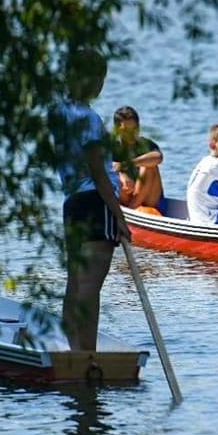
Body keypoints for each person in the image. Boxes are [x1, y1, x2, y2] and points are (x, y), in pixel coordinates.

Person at [49, 53, 130, 352]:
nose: (100, 85)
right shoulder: (89, 117)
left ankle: (74, 352)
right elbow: (97, 169)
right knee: (90, 288)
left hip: (73, 202)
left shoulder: (58, 112)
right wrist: (118, 215)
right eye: (100, 79)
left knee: (75, 282)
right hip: (96, 202)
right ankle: (87, 355)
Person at [110, 105, 165, 212]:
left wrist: (125, 165)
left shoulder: (145, 144)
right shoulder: (112, 148)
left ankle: (132, 209)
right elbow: (101, 165)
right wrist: (121, 174)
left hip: (151, 201)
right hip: (127, 196)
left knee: (149, 166)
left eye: (134, 129)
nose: (131, 134)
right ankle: (132, 209)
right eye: (126, 130)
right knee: (112, 174)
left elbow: (158, 157)